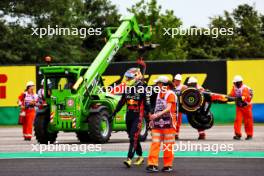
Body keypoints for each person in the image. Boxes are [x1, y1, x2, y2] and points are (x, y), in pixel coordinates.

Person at [111, 67, 151, 168]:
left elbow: (147, 103)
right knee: (133, 137)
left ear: (136, 77)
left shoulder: (143, 88)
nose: (127, 80)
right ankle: (141, 156)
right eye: (127, 78)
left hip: (138, 115)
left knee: (133, 136)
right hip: (128, 115)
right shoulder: (127, 88)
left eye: (129, 78)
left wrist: (150, 116)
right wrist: (114, 112)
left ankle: (129, 158)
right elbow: (121, 102)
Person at [146, 76, 177, 173]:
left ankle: (168, 165)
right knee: (155, 143)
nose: (156, 85)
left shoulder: (170, 93)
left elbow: (168, 108)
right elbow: (157, 107)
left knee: (168, 145)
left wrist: (157, 115)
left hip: (169, 122)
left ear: (162, 84)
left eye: (158, 83)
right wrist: (152, 119)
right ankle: (152, 164)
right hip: (158, 122)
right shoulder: (159, 93)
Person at [229, 75, 253, 140]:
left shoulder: (245, 88)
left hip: (247, 106)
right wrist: (228, 97)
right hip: (239, 106)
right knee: (238, 120)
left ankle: (249, 135)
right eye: (234, 83)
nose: (234, 84)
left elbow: (245, 97)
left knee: (248, 120)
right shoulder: (234, 87)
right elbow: (231, 95)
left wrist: (238, 98)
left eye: (235, 82)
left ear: (239, 82)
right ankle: (238, 134)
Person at [173, 74, 187, 140]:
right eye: (176, 80)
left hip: (179, 107)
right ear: (174, 80)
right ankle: (171, 133)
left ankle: (176, 134)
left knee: (178, 121)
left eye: (179, 81)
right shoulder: (171, 86)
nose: (177, 82)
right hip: (171, 106)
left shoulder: (183, 87)